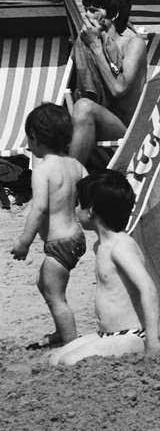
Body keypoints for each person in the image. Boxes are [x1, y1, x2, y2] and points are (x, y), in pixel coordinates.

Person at [49, 170, 160, 366]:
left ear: (90, 211)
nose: (76, 210)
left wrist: (153, 341)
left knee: (69, 362)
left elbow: (148, 289)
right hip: (106, 334)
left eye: (79, 204)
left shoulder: (120, 247)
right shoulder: (101, 246)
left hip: (130, 335)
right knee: (55, 359)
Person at [11, 105, 88, 350]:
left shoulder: (42, 169)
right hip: (75, 237)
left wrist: (24, 241)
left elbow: (39, 208)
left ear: (35, 138)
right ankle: (60, 331)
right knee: (43, 282)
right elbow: (87, 193)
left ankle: (70, 343)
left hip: (58, 244)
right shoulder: (75, 165)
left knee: (56, 297)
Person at [69, 0, 148, 167]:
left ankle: (70, 178)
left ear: (114, 15)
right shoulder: (86, 43)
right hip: (96, 120)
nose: (86, 15)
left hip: (127, 128)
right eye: (86, 9)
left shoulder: (133, 44)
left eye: (93, 10)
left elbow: (119, 89)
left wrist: (96, 47)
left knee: (83, 107)